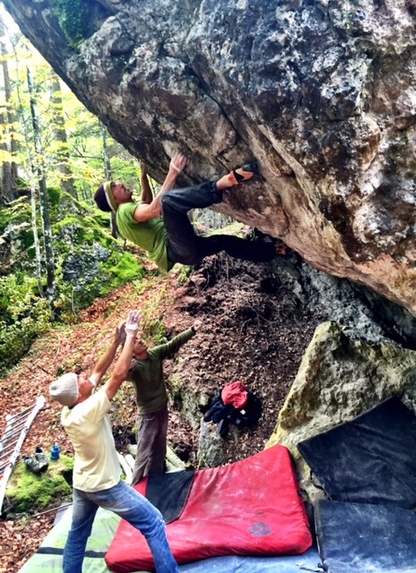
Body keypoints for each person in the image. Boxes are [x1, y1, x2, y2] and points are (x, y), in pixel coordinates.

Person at [49, 310, 179, 573]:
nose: (85, 377)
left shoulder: (72, 409)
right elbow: (117, 376)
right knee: (153, 522)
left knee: (78, 534)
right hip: (103, 485)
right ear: (79, 393)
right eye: (80, 379)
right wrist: (130, 337)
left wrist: (116, 341)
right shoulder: (89, 410)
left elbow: (99, 371)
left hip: (82, 482)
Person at [94, 154, 277, 272]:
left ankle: (273, 252)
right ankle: (221, 184)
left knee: (225, 242)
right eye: (114, 187)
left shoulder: (124, 216)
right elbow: (155, 208)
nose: (119, 184)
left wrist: (143, 177)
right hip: (177, 247)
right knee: (167, 202)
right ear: (114, 199)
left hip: (186, 253)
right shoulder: (124, 211)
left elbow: (146, 202)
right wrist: (173, 172)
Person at [126, 321, 201, 485]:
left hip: (162, 409)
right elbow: (120, 376)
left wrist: (192, 330)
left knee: (159, 449)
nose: (139, 341)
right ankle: (136, 486)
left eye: (139, 338)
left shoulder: (154, 354)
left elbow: (172, 345)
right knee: (143, 452)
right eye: (135, 341)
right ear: (131, 352)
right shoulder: (134, 368)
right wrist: (125, 365)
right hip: (147, 415)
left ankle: (156, 480)